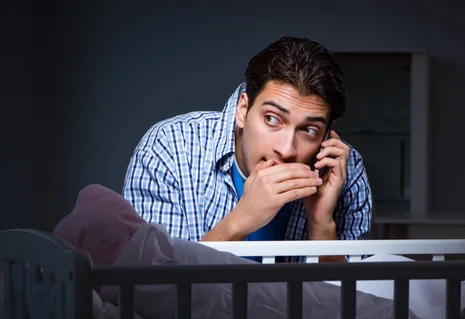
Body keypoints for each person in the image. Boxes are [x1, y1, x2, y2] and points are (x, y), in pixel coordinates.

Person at [122, 36, 372, 262]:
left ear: (327, 134)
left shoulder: (344, 170)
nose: (286, 150)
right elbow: (153, 290)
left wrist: (321, 222)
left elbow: (345, 305)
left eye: (309, 130)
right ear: (243, 109)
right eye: (272, 119)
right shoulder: (170, 147)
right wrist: (240, 220)